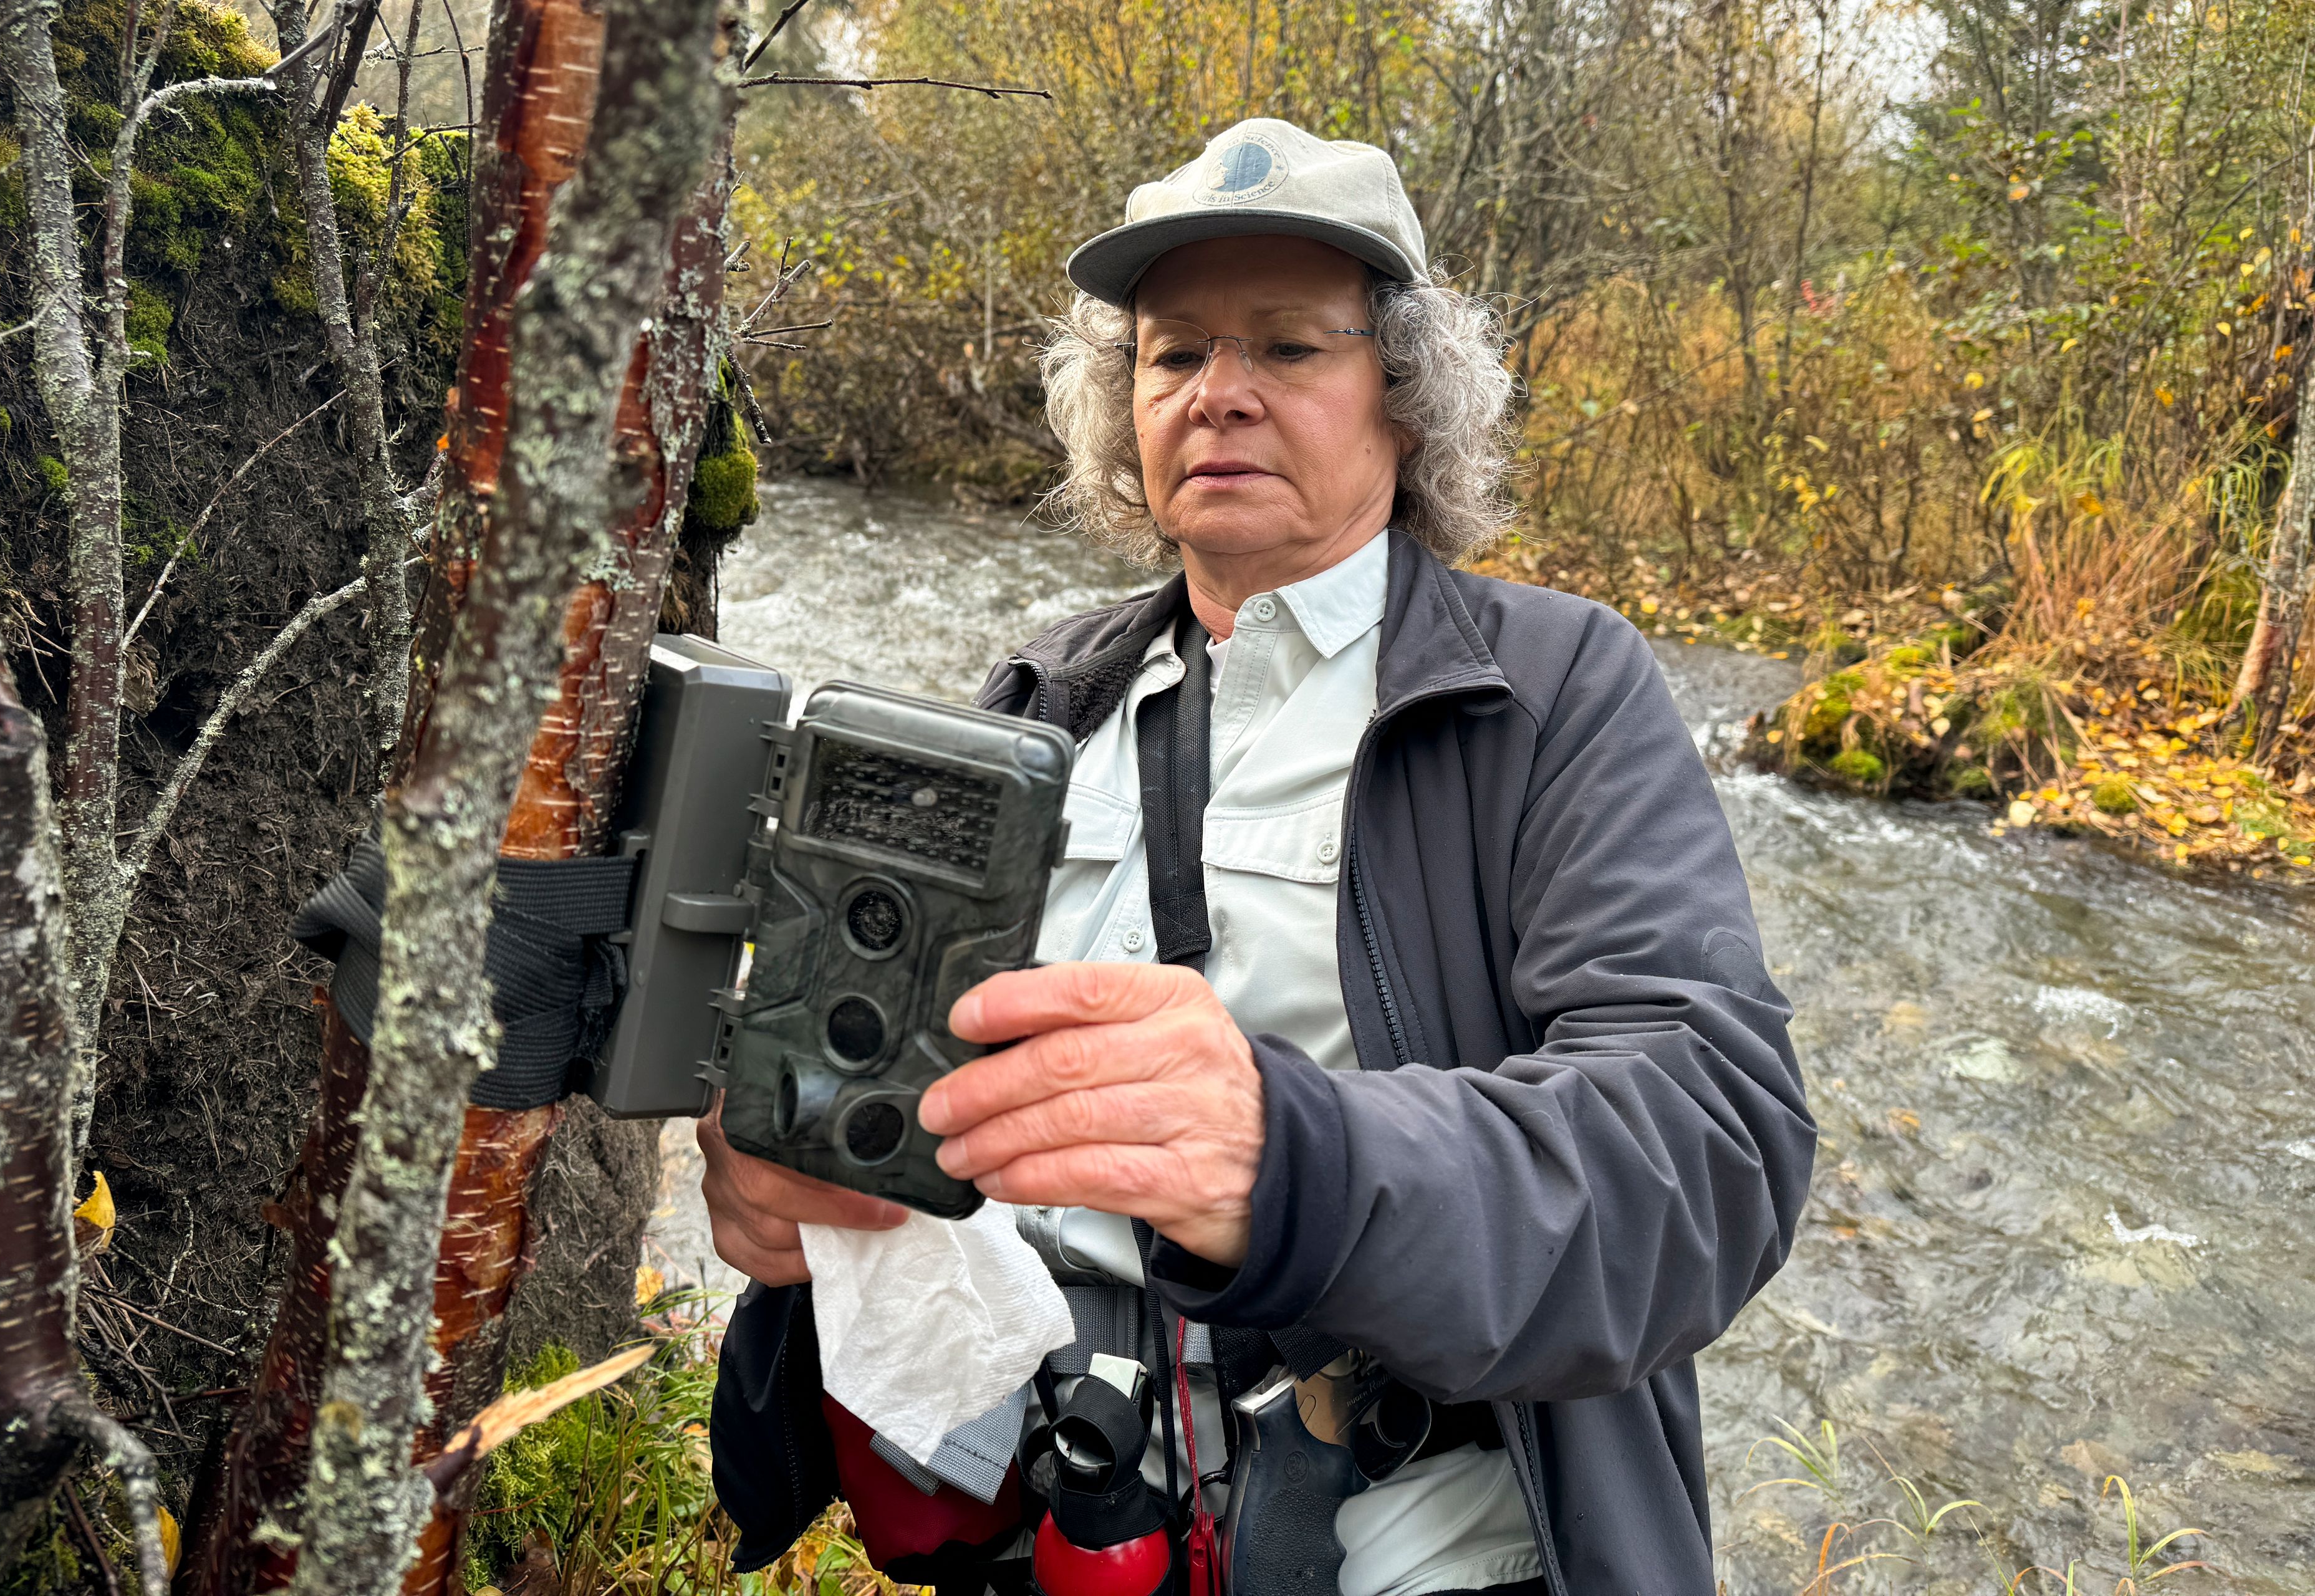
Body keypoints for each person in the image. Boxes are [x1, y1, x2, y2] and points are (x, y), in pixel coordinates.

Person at [701, 117, 1814, 1596]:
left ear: (1404, 399)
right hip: (1051, 1524)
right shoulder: (1044, 695)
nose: (1218, 394)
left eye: (1289, 347)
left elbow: (1711, 1151)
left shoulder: (1553, 690)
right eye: (1171, 355)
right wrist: (801, 1193)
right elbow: (901, 1087)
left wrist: (1295, 1164)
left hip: (1405, 1546)